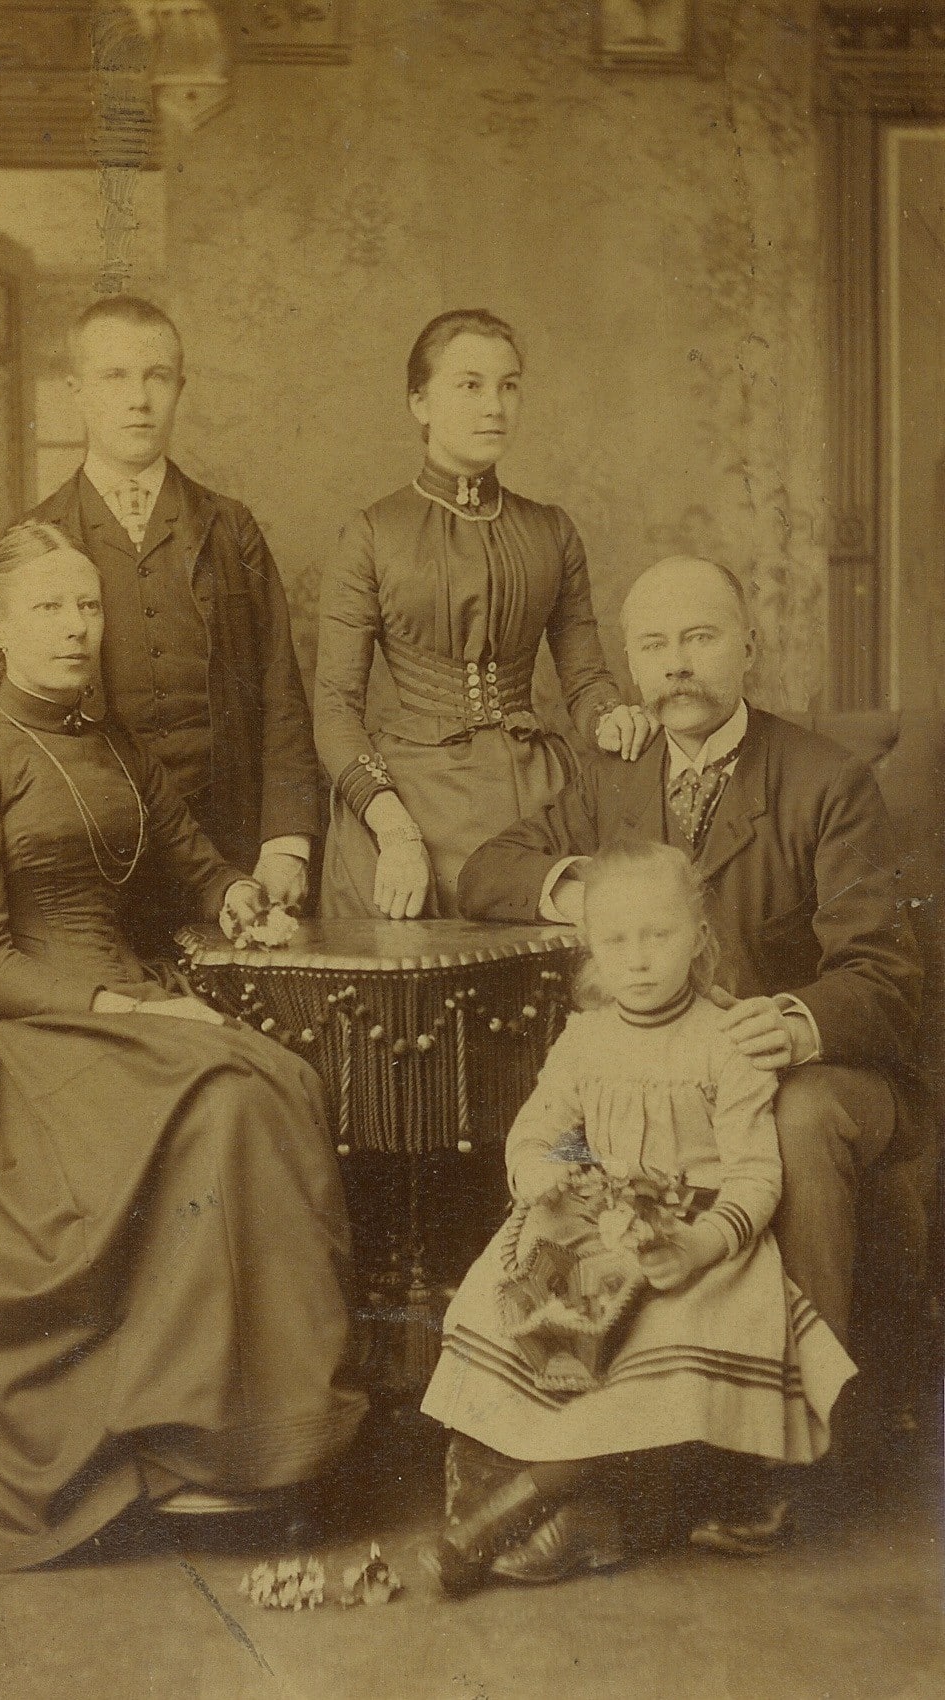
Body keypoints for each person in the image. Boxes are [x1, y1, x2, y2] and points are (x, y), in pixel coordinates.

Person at [0, 522, 366, 1574]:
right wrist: (129, 1012)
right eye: (47, 607)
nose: (74, 627)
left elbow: (191, 858)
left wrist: (237, 896)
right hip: (12, 1028)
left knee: (276, 1080)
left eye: (87, 606)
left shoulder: (115, 743)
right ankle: (176, 1439)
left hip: (117, 997)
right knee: (223, 1101)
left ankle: (245, 1449)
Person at [458, 555, 925, 1358]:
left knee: (797, 1114)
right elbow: (485, 872)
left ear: (749, 647)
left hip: (813, 1071)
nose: (675, 664)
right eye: (653, 645)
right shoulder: (614, 779)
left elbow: (884, 977)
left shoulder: (827, 782)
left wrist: (793, 1022)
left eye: (700, 637)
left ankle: (807, 1393)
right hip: (675, 1071)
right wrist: (594, 894)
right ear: (633, 665)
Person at [419, 841, 854, 1595]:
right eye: (616, 940)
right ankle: (552, 1515)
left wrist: (699, 1244)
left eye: (659, 935)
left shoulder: (727, 1041)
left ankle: (506, 1522)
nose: (639, 959)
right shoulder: (584, 1039)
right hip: (594, 1231)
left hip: (694, 1243)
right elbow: (534, 1134)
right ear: (590, 945)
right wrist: (547, 1176)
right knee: (508, 1306)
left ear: (698, 938)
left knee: (658, 1345)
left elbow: (755, 1177)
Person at [0, 295, 319, 917]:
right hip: (92, 855)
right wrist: (60, 767)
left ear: (180, 388)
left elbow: (281, 689)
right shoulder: (39, 535)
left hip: (232, 850)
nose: (138, 399)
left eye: (157, 376)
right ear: (77, 391)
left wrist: (286, 843)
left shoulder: (230, 529)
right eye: (114, 376)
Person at [313, 308, 655, 920]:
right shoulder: (372, 533)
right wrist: (393, 829)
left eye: (509, 385)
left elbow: (585, 681)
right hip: (411, 801)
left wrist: (612, 720)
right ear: (420, 403)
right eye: (470, 385)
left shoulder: (551, 530)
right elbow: (335, 712)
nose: (494, 406)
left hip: (536, 793)